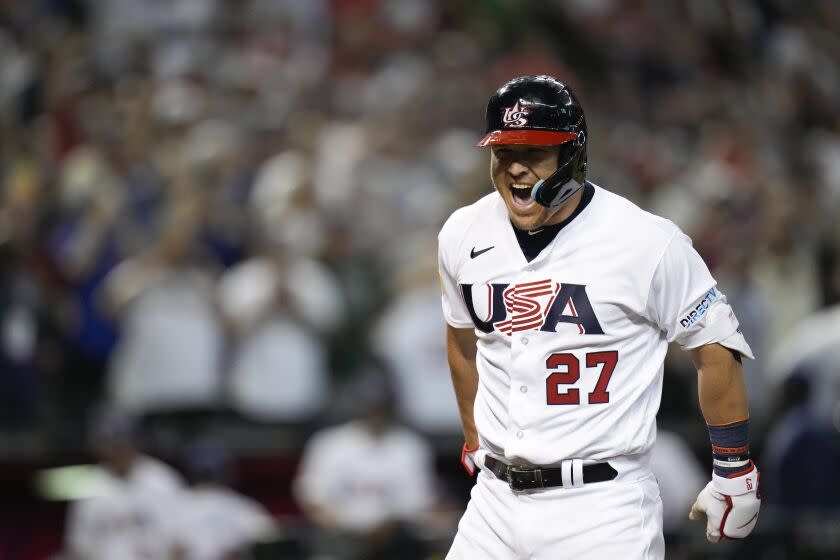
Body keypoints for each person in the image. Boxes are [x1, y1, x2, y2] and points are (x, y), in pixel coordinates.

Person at [438, 75, 760, 559]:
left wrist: (733, 468)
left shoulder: (647, 241)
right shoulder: (463, 232)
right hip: (493, 505)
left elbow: (715, 347)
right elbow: (462, 339)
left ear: (572, 154)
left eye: (534, 153)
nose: (516, 169)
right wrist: (473, 437)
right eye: (504, 153)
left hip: (601, 508)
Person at [64, 406, 184, 560]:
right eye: (112, 444)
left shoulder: (163, 480)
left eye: (124, 441)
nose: (120, 450)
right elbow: (78, 549)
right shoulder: (87, 488)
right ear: (100, 447)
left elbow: (181, 542)